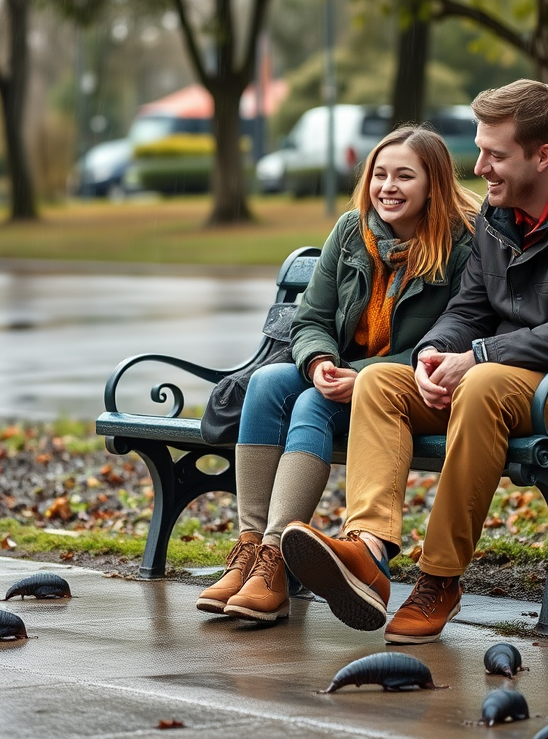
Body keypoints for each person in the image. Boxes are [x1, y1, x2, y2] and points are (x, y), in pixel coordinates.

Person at [280, 79, 548, 643]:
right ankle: (369, 551)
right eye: (481, 149)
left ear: (543, 156)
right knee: (384, 380)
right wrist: (437, 351)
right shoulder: (498, 215)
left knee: (482, 384)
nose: (479, 166)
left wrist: (480, 356)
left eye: (495, 154)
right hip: (505, 379)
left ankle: (439, 579)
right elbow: (469, 309)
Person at [196, 125, 481, 622]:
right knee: (266, 383)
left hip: (405, 392)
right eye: (380, 175)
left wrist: (363, 374)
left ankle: (276, 565)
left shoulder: (461, 246)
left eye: (404, 177)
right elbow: (311, 319)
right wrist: (319, 361)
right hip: (341, 377)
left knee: (310, 402)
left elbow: (447, 339)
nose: (387, 187)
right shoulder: (353, 232)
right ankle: (252, 551)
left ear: (433, 184)